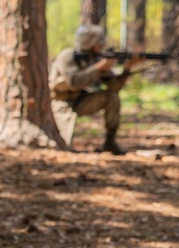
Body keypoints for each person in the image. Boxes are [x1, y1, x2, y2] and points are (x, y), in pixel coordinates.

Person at [48, 24, 145, 155]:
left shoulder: (96, 60)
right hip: (58, 103)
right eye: (99, 45)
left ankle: (110, 142)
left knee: (112, 97)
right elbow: (74, 82)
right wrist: (99, 67)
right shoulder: (67, 57)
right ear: (89, 44)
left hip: (81, 100)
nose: (101, 48)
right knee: (62, 147)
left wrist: (128, 68)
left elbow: (114, 87)